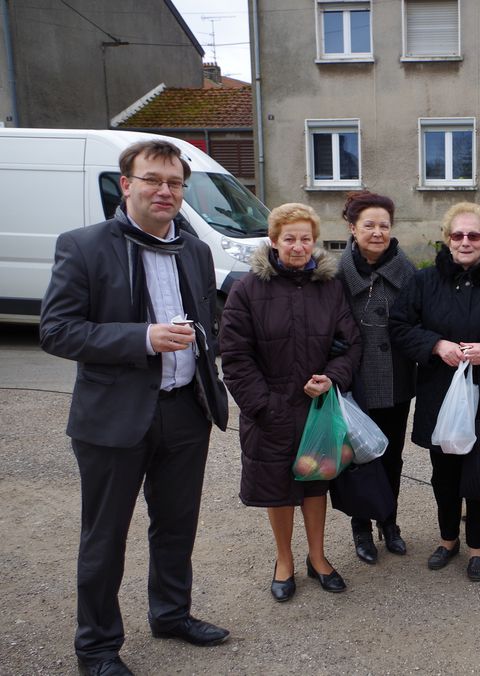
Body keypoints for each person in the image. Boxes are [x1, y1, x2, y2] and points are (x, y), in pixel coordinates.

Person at [39, 140, 230, 676]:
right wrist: (143, 337)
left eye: (174, 182)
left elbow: (205, 325)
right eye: (153, 180)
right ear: (126, 184)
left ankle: (171, 614)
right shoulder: (83, 246)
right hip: (113, 418)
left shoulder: (194, 249)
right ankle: (97, 648)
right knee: (105, 536)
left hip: (185, 411)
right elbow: (56, 332)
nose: (164, 191)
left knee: (176, 526)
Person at [218, 202, 362, 603]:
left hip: (317, 407)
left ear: (315, 241)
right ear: (274, 241)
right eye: (290, 239)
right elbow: (234, 354)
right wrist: (262, 406)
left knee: (315, 483)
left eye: (305, 239)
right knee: (277, 487)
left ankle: (318, 557)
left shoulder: (330, 287)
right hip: (270, 408)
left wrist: (331, 378)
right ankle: (285, 560)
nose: (298, 247)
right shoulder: (247, 290)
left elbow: (349, 344)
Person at [390, 202, 480, 582]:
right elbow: (400, 326)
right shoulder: (424, 282)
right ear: (447, 239)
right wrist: (436, 345)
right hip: (440, 392)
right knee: (444, 473)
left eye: (474, 235)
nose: (465, 241)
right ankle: (447, 539)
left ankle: (478, 547)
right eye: (458, 235)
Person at [337, 191, 417, 564]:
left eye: (384, 225)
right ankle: (361, 529)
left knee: (391, 456)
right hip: (356, 381)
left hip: (398, 380)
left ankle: (389, 522)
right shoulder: (337, 275)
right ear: (353, 228)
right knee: (359, 457)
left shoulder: (407, 270)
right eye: (368, 225)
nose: (377, 232)